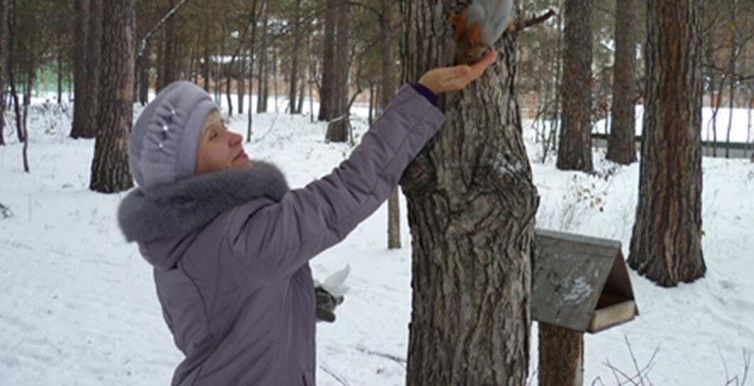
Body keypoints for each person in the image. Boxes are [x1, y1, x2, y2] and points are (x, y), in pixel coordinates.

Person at [117, 51, 497, 386]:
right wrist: (422, 96)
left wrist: (289, 299)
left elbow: (225, 325)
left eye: (224, 123)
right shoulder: (245, 239)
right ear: (185, 173)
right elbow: (347, 191)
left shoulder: (174, 244)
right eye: (213, 135)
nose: (234, 137)